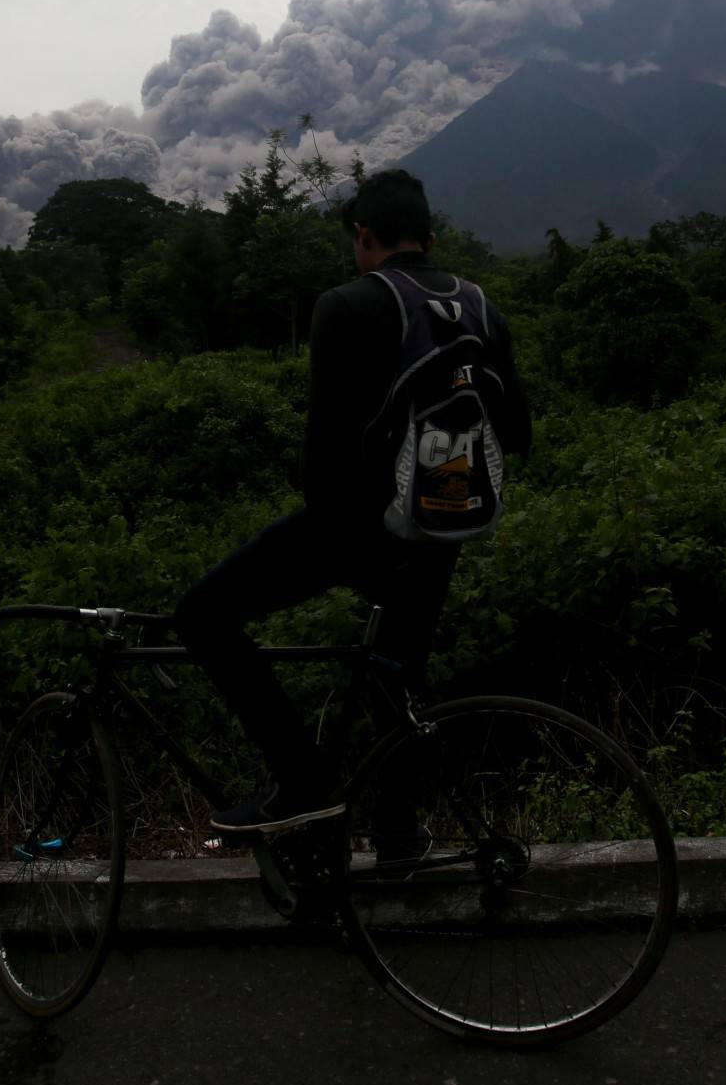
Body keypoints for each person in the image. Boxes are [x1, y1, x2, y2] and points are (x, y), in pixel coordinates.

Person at [172, 169, 532, 838]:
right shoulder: (484, 307)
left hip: (360, 530)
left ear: (362, 235)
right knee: (393, 680)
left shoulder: (344, 305)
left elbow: (323, 464)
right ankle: (399, 841)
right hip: (444, 526)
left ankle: (302, 786)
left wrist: (341, 529)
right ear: (429, 237)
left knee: (204, 614)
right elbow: (519, 436)